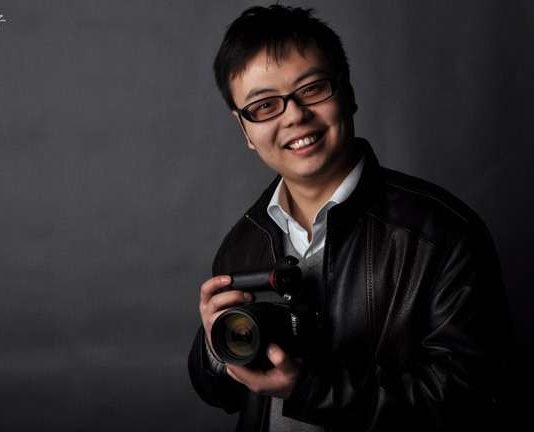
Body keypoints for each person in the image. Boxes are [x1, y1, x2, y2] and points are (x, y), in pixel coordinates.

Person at [187, 4, 513, 431]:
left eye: (312, 89)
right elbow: (222, 397)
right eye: (264, 106)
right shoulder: (243, 244)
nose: (294, 115)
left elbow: (470, 401)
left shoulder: (443, 235)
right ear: (245, 129)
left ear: (348, 91)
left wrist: (311, 389)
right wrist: (214, 347)